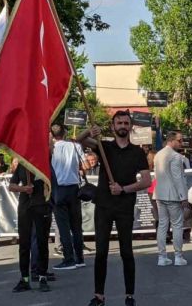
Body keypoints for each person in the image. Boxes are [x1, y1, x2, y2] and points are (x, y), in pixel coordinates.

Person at [82, 111, 151, 306]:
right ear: (113, 127)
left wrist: (124, 189)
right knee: (101, 252)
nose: (122, 125)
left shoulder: (137, 152)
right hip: (103, 206)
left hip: (124, 207)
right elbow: (78, 142)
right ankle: (99, 296)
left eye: (125, 122)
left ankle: (129, 295)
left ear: (130, 127)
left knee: (126, 252)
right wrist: (90, 130)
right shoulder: (104, 147)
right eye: (119, 122)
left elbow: (146, 180)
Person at [8, 162, 52, 293]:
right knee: (24, 244)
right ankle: (24, 279)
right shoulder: (22, 165)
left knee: (42, 242)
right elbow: (11, 186)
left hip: (41, 205)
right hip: (25, 207)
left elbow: (52, 184)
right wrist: (24, 189)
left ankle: (42, 277)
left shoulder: (44, 162)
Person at [51, 124, 88, 270]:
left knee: (63, 227)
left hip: (58, 188)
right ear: (65, 132)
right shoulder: (74, 145)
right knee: (76, 226)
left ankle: (69, 258)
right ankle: (80, 258)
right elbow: (86, 166)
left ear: (52, 135)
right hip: (74, 188)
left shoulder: (51, 148)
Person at [154, 131, 189, 266]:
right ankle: (178, 256)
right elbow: (177, 178)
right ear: (171, 140)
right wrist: (183, 196)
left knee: (163, 225)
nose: (181, 143)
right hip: (173, 195)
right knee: (177, 225)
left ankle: (161, 257)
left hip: (159, 194)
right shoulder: (175, 156)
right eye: (179, 140)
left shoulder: (158, 154)